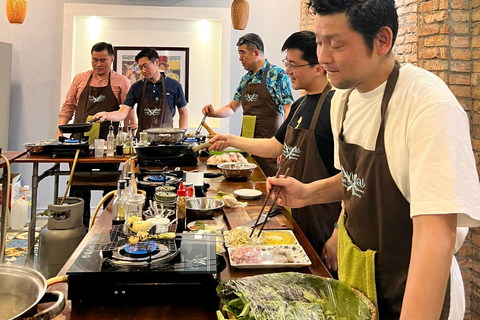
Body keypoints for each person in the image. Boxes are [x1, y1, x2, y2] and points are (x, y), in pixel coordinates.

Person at [267, 1, 480, 319]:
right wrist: (308, 193)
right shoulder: (343, 97)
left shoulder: (427, 105)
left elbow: (437, 235)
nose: (323, 57)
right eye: (320, 41)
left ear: (382, 40)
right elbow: (356, 178)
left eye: (336, 44)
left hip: (410, 291)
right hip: (361, 281)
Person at [208, 31, 340, 262]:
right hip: (294, 211)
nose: (287, 71)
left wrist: (338, 234)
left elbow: (352, 179)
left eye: (293, 65)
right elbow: (274, 146)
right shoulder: (300, 104)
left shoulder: (337, 106)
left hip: (323, 219)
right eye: (286, 63)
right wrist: (229, 140)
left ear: (319, 67)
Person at [58, 42, 136, 228]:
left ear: (112, 59)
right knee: (78, 187)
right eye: (95, 60)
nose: (98, 64)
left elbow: (129, 114)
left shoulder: (121, 81)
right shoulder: (80, 79)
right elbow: (68, 108)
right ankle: (77, 229)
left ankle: (106, 229)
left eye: (103, 60)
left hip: (109, 145)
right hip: (79, 143)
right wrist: (60, 135)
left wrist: (129, 139)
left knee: (109, 187)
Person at [202, 33, 294, 177]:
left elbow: (288, 109)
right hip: (247, 145)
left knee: (269, 188)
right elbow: (232, 107)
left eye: (242, 53)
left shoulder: (277, 75)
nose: (240, 58)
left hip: (270, 145)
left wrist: (284, 145)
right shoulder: (246, 79)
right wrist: (214, 113)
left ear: (256, 53)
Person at [94, 48, 188, 133]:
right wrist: (106, 115)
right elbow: (122, 113)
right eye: (140, 67)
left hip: (167, 140)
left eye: (145, 66)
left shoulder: (174, 85)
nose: (143, 71)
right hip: (143, 141)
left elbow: (183, 113)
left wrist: (181, 135)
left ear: (156, 62)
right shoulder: (137, 87)